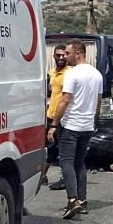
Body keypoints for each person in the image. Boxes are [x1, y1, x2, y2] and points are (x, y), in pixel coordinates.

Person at [48, 39, 103, 219]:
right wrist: (94, 120)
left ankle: (72, 200)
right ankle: (82, 201)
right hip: (87, 125)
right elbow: (99, 101)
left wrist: (54, 125)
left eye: (68, 53)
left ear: (78, 53)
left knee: (66, 162)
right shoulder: (97, 74)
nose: (65, 56)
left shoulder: (72, 74)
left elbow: (65, 101)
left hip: (71, 125)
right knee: (80, 163)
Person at [40, 45, 69, 192]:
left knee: (63, 149)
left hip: (63, 117)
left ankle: (65, 178)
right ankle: (42, 176)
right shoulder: (51, 73)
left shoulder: (70, 73)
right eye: (58, 55)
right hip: (50, 115)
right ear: (54, 57)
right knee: (49, 147)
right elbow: (51, 93)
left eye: (64, 55)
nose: (61, 58)